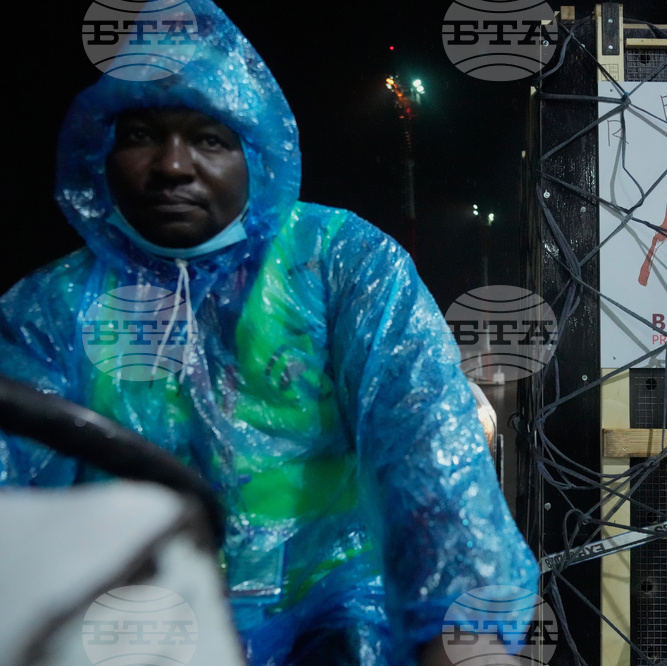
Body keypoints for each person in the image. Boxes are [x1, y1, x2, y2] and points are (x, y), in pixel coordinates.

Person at [0, 1, 538, 664]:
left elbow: (424, 441)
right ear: (100, 151)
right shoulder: (49, 309)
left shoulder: (340, 261)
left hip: (336, 619)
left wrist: (461, 631)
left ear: (259, 154)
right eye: (141, 135)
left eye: (210, 140)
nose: (172, 166)